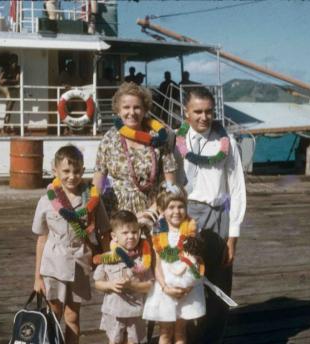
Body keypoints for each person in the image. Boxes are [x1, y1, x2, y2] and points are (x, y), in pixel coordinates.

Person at [174, 87, 246, 343]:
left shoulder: (227, 143)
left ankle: (212, 339)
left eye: (209, 111)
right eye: (198, 112)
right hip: (185, 215)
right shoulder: (175, 142)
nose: (204, 117)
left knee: (218, 281)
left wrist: (233, 235)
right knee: (184, 280)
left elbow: (237, 189)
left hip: (218, 215)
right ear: (186, 112)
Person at [32, 145, 110, 344]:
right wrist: (37, 278)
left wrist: (109, 262)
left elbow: (104, 233)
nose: (71, 176)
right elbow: (42, 239)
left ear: (83, 171)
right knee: (53, 316)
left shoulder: (93, 200)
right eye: (66, 171)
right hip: (52, 264)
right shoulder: (46, 201)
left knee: (73, 317)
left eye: (76, 171)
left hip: (79, 264)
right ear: (55, 171)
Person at [93, 82, 176, 217]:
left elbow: (171, 183)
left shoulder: (158, 139)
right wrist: (92, 210)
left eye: (137, 107)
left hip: (153, 212)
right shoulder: (109, 138)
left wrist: (152, 212)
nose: (132, 112)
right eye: (126, 107)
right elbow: (98, 180)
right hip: (117, 216)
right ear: (118, 111)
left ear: (144, 110)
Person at [143, 182, 206, 344]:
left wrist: (188, 287)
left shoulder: (192, 230)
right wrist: (165, 287)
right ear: (162, 210)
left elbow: (196, 262)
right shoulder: (157, 231)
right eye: (171, 207)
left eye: (180, 207)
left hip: (187, 287)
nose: (176, 211)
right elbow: (156, 263)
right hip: (164, 287)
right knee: (165, 332)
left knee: (180, 331)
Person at [93, 210, 154, 344]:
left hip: (135, 312)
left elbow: (150, 285)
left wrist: (132, 285)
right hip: (114, 311)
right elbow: (98, 283)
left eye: (134, 232)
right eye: (125, 233)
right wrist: (110, 285)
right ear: (114, 236)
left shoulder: (143, 259)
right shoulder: (108, 258)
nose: (131, 236)